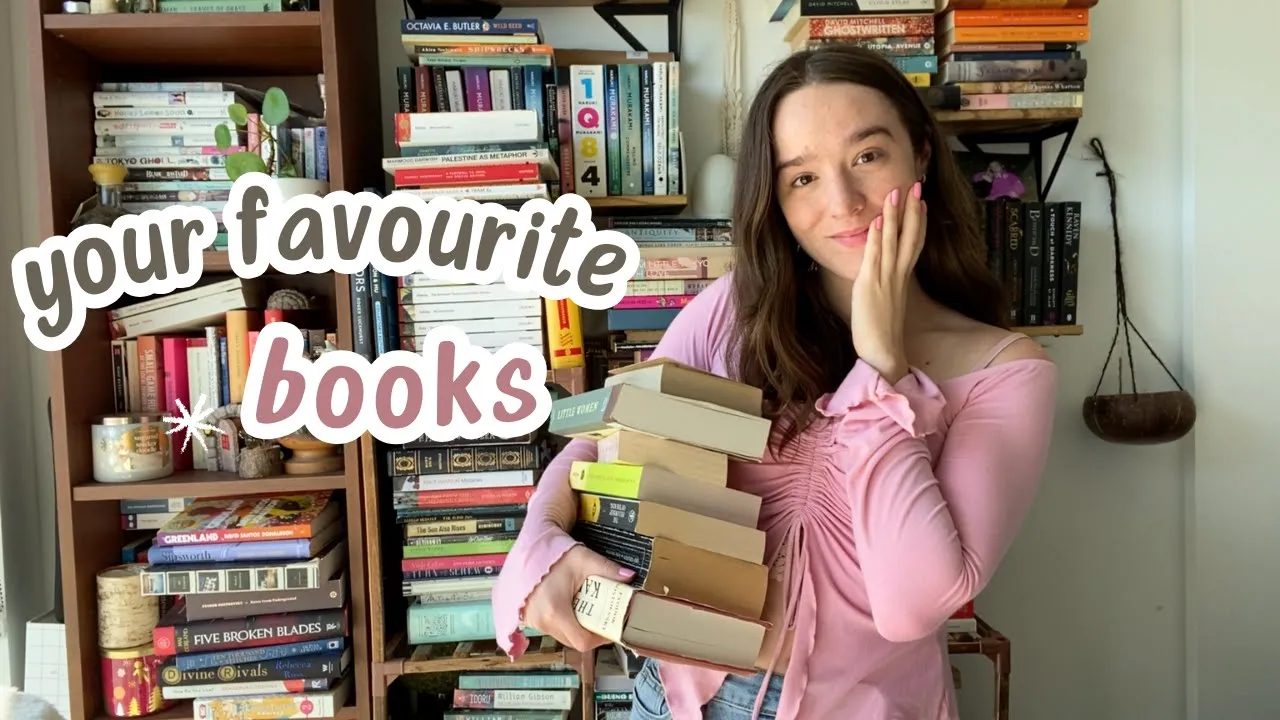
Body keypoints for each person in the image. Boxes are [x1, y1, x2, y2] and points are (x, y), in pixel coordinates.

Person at [491, 45, 1059, 720]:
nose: (843, 202)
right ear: (777, 200)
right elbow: (604, 441)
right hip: (672, 700)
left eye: (868, 156)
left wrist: (881, 366)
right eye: (803, 178)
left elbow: (911, 605)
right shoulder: (737, 309)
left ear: (921, 157)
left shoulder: (1003, 371)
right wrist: (542, 546)